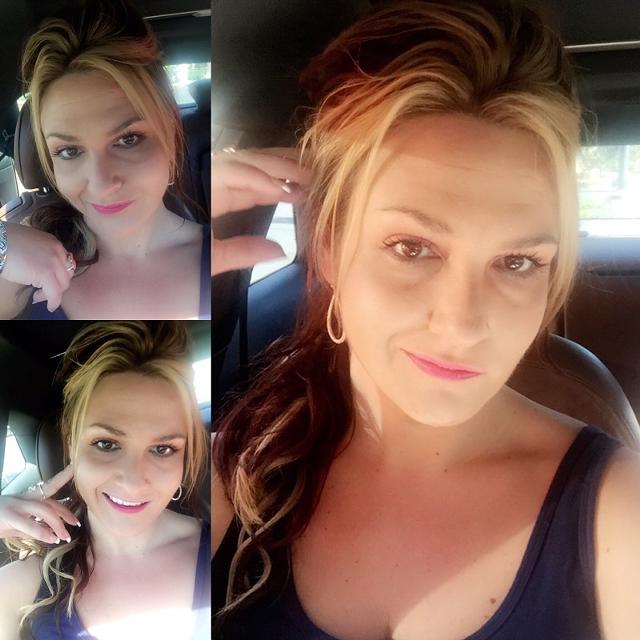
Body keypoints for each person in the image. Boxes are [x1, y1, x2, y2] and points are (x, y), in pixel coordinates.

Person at [212, 1, 640, 638]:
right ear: (329, 249)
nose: (463, 325)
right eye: (412, 248)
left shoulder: (620, 514)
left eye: (517, 262)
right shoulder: (225, 480)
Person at [0, 0, 211, 320]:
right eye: (69, 151)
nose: (101, 184)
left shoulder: (222, 259)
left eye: (128, 139)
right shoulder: (17, 269)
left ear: (169, 129)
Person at [0, 321, 210, 640]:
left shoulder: (223, 547)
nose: (133, 482)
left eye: (163, 449)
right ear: (71, 443)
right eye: (106, 444)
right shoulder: (23, 586)